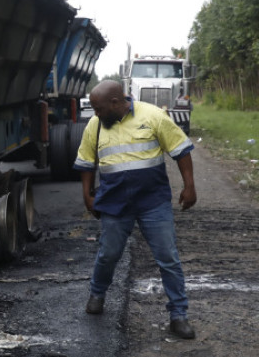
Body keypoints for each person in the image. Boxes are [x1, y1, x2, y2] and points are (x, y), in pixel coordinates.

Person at [73, 80, 198, 339]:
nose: (95, 113)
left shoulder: (153, 116)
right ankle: (97, 294)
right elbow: (86, 161)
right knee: (108, 254)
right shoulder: (95, 126)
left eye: (98, 108)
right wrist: (87, 196)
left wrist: (189, 186)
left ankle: (178, 315)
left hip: (153, 202)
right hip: (115, 203)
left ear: (116, 103)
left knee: (168, 257)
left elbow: (181, 150)